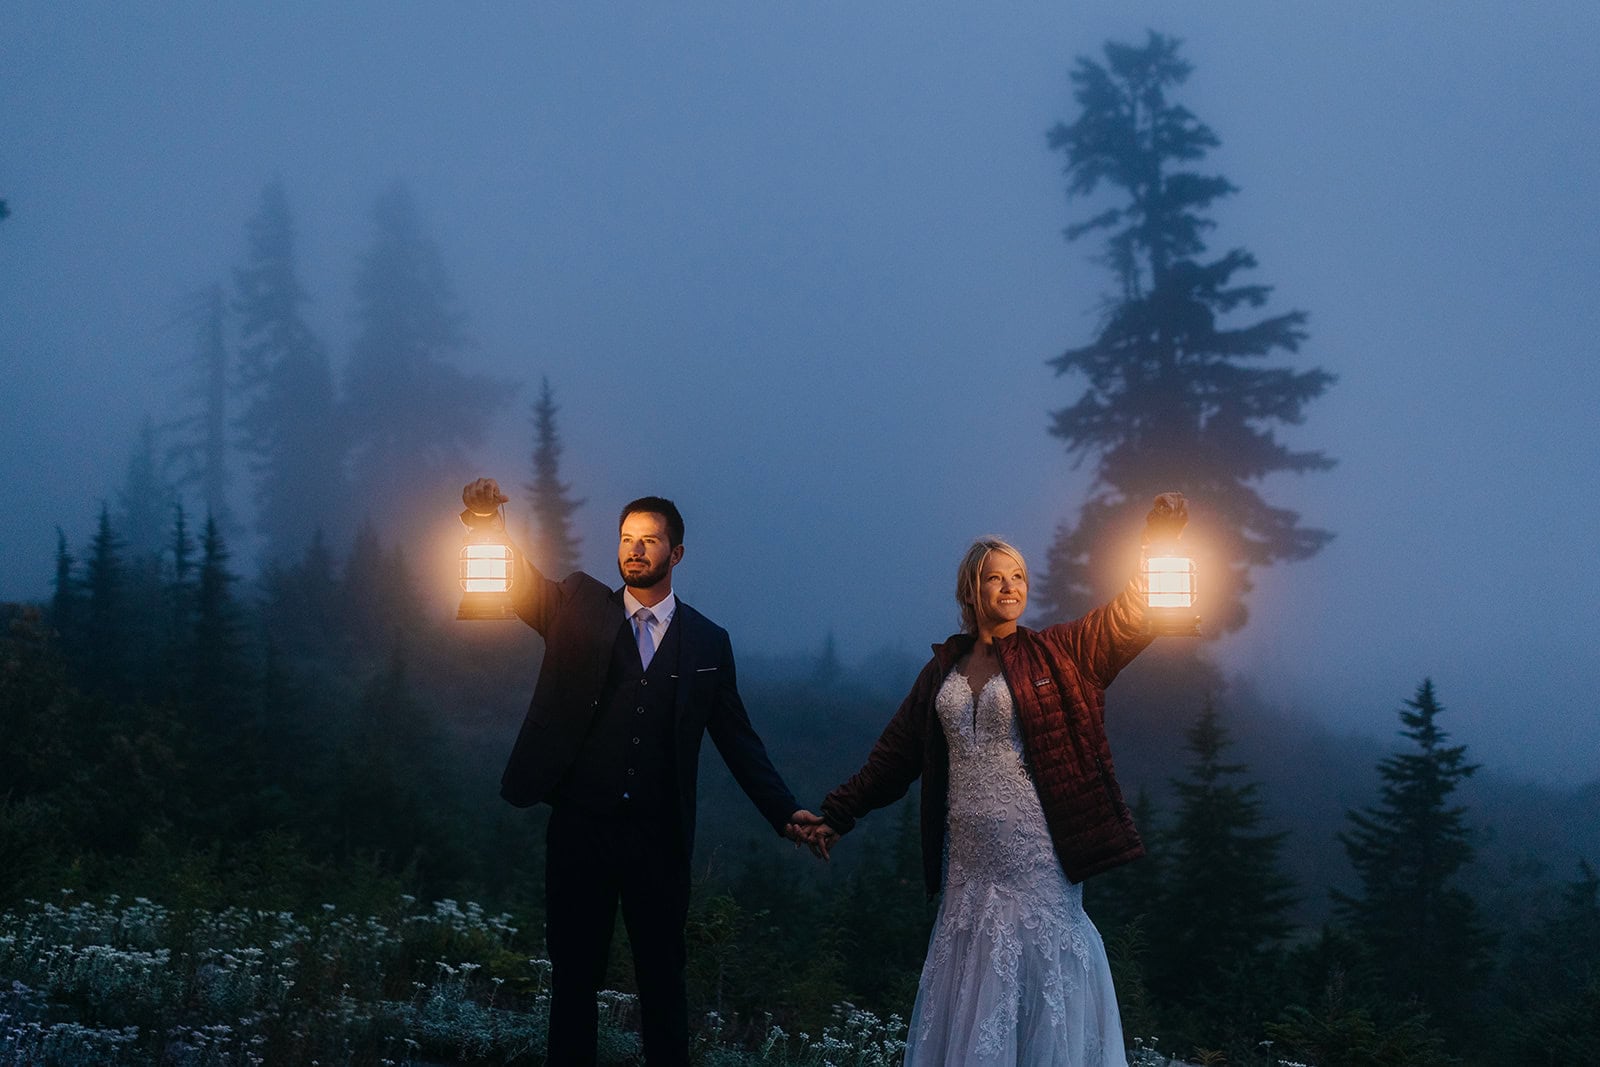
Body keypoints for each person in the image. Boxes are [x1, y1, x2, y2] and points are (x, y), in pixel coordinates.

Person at [800, 492, 1188, 1066]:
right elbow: (894, 757)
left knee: (1040, 979)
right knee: (974, 985)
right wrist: (837, 813)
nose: (1010, 587)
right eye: (995, 577)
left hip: (1037, 856)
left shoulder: (1061, 653)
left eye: (1019, 576)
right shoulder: (942, 671)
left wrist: (1160, 538)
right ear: (970, 591)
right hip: (969, 864)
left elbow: (1126, 618)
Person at [462, 477, 824, 1067]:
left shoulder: (709, 641)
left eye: (650, 541)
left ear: (676, 553)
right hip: (581, 830)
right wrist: (485, 523)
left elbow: (737, 740)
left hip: (658, 839)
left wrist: (784, 812)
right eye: (627, 538)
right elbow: (521, 583)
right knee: (574, 977)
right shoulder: (576, 603)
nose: (635, 549)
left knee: (662, 980)